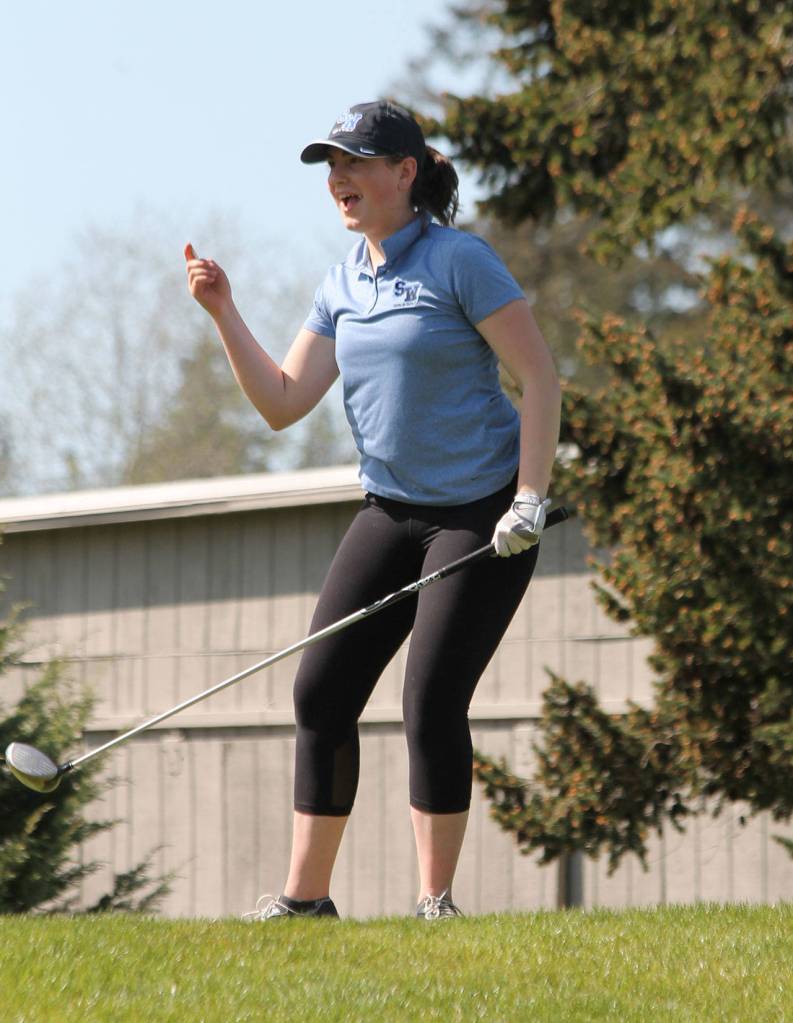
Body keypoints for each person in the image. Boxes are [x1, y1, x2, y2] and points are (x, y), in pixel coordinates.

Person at [185, 100, 561, 921]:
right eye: (331, 166)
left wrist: (528, 495)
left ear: (406, 172)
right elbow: (284, 402)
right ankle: (306, 899)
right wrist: (224, 314)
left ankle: (435, 901)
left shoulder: (461, 261)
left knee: (429, 697)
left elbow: (539, 378)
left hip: (483, 510)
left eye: (355, 163)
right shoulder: (340, 282)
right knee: (320, 692)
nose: (339, 179)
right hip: (391, 509)